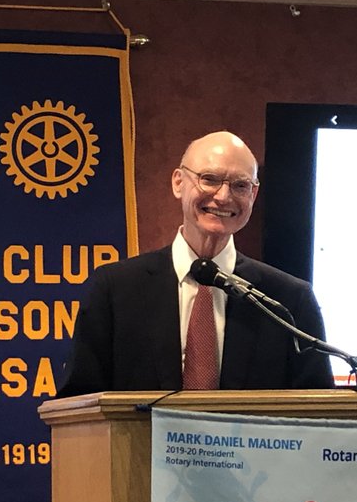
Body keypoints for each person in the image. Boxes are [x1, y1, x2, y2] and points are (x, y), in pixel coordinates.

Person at [59, 130, 334, 395]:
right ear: (179, 182)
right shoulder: (115, 290)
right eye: (209, 179)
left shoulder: (288, 301)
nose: (223, 197)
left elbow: (318, 417)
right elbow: (79, 407)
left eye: (240, 185)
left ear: (253, 195)